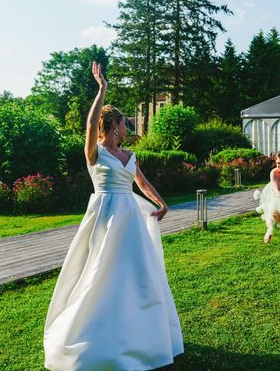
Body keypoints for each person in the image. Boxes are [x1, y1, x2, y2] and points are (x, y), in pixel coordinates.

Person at [44, 62, 183, 370]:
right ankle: (96, 334)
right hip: (105, 218)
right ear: (113, 126)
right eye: (123, 123)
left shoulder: (129, 156)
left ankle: (140, 337)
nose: (127, 127)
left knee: (137, 277)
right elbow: (90, 124)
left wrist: (161, 203)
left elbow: (142, 184)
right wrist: (101, 89)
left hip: (130, 221)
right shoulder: (95, 152)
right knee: (99, 275)